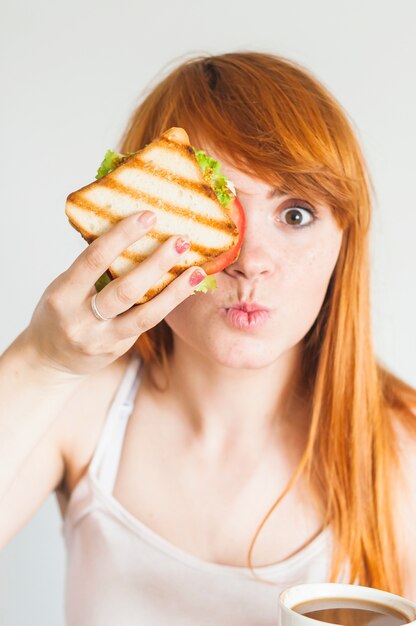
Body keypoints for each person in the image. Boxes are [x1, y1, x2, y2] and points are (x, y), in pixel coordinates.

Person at [0, 51, 415, 625]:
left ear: (345, 240)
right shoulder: (84, 407)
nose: (250, 263)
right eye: (212, 209)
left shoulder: (400, 455)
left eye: (295, 215)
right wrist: (38, 362)